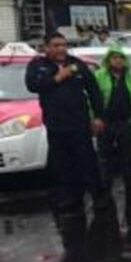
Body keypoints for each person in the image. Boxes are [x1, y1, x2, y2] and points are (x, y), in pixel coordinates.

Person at [25, 32, 106, 214]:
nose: (61, 48)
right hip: (55, 124)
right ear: (47, 48)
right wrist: (57, 78)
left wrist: (98, 116)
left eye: (63, 45)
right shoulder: (38, 65)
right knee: (63, 163)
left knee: (87, 161)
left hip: (79, 123)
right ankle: (72, 198)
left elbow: (94, 91)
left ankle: (98, 196)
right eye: (56, 45)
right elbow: (32, 85)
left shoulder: (77, 64)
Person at [93, 44, 131, 227]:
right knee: (104, 164)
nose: (118, 61)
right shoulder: (99, 77)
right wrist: (95, 120)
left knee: (128, 165)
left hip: (126, 125)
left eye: (120, 57)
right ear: (108, 60)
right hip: (105, 125)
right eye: (114, 57)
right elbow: (90, 100)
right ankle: (104, 200)